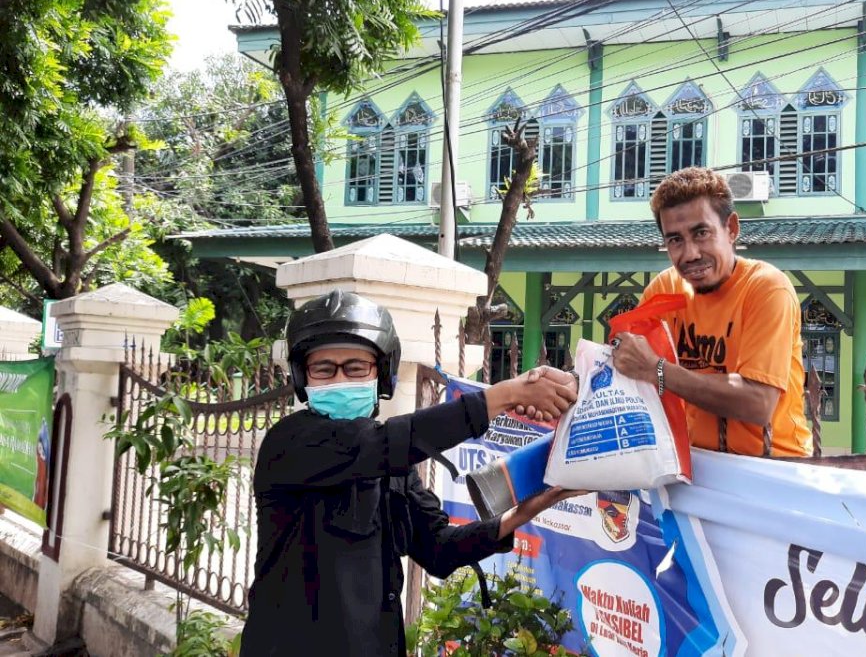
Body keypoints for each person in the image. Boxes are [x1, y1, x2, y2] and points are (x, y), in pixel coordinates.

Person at [240, 290, 581, 656]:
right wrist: (506, 395)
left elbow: (438, 548)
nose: (339, 378)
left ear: (382, 375)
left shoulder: (392, 468)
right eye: (324, 368)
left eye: (355, 367)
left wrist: (523, 512)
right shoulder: (289, 444)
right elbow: (386, 442)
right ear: (302, 377)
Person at [611, 166, 812, 458]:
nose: (690, 253)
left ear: (731, 228)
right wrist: (568, 383)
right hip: (694, 462)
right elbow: (628, 367)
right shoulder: (664, 288)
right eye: (675, 240)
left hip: (775, 464)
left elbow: (758, 402)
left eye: (701, 233)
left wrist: (658, 371)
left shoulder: (766, 288)